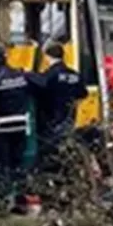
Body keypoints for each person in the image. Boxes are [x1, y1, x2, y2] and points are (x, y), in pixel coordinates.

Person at [0, 46, 38, 206]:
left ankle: (3, 198)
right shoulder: (20, 75)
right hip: (20, 125)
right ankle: (20, 198)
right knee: (18, 162)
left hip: (2, 127)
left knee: (2, 163)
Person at [37, 41, 86, 174]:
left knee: (51, 150)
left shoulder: (48, 76)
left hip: (52, 119)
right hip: (69, 116)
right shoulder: (75, 75)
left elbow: (40, 93)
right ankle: (68, 173)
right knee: (66, 146)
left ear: (47, 57)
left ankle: (55, 175)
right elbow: (83, 94)